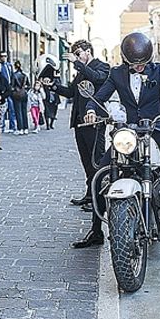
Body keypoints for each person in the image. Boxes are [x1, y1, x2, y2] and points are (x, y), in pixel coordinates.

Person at [74, 32, 160, 248]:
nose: (138, 67)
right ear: (125, 60)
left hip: (157, 128)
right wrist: (91, 109)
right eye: (134, 64)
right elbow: (100, 96)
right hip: (129, 133)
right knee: (100, 175)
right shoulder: (117, 73)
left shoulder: (158, 70)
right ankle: (95, 230)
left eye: (142, 63)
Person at [43, 39, 110, 209]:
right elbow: (71, 92)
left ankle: (98, 200)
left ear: (88, 51)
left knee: (97, 161)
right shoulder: (81, 72)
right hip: (79, 122)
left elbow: (97, 78)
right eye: (75, 54)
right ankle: (90, 195)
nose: (76, 57)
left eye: (78, 53)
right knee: (86, 162)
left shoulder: (102, 66)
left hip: (94, 122)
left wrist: (78, 64)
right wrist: (53, 86)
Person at [0, 51, 16, 133]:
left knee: (12, 108)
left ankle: (12, 126)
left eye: (5, 56)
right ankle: (2, 127)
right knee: (3, 109)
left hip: (9, 89)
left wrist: (12, 86)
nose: (3, 58)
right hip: (3, 90)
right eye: (2, 56)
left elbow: (12, 76)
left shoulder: (9, 65)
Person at [11, 60, 30, 135]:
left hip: (17, 95)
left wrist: (14, 91)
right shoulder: (25, 75)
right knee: (24, 111)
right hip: (24, 94)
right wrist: (24, 90)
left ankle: (20, 128)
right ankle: (26, 128)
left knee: (18, 112)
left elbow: (12, 86)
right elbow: (29, 85)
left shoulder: (14, 75)